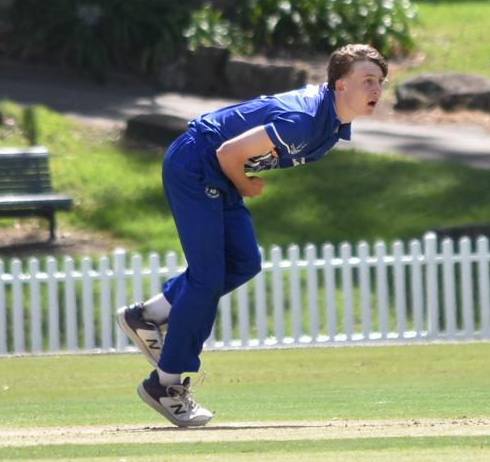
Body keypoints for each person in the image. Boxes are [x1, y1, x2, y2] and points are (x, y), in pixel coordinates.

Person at [117, 43, 388, 427]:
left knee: (245, 262)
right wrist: (245, 186)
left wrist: (237, 182)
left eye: (379, 81)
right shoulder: (306, 120)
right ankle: (165, 385)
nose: (376, 89)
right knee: (207, 277)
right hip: (197, 163)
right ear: (340, 85)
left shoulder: (332, 125)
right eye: (366, 80)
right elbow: (229, 152)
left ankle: (147, 315)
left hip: (216, 170)